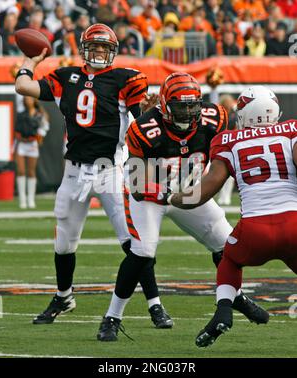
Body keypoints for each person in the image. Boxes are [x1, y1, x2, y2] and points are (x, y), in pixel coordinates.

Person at [15, 23, 172, 328]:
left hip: (111, 171)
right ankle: (63, 296)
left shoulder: (126, 79)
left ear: (112, 51)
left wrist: (151, 112)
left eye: (104, 48)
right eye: (95, 47)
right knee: (64, 244)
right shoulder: (66, 76)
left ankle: (155, 304)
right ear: (85, 49)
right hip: (74, 173)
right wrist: (31, 62)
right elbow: (23, 87)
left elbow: (142, 120)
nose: (99, 52)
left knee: (133, 244)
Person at [97, 72, 269, 342]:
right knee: (142, 252)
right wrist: (167, 195)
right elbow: (136, 181)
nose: (188, 112)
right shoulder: (144, 129)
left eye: (193, 105)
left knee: (228, 246)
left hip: (189, 192)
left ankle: (235, 297)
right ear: (165, 106)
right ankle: (112, 317)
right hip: (151, 197)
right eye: (181, 106)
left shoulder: (215, 118)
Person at [168, 85, 297, 347]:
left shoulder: (229, 140)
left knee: (229, 260)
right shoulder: (292, 129)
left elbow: (204, 192)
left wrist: (172, 197)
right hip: (294, 224)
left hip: (254, 229)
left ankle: (223, 312)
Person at [11, 64, 50, 209]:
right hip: (21, 142)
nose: (27, 100)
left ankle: (31, 199)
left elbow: (45, 126)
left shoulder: (40, 114)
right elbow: (19, 91)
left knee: (31, 171)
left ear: (34, 100)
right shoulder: (21, 111)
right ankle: (22, 199)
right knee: (21, 170)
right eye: (25, 99)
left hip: (32, 143)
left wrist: (40, 137)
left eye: (29, 98)